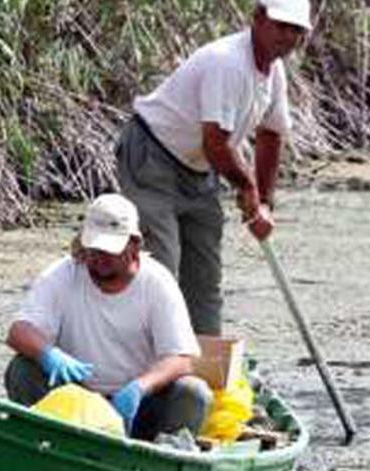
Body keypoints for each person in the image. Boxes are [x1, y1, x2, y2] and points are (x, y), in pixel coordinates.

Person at [116, 0, 311, 336]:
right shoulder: (228, 62)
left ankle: (207, 362)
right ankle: (149, 362)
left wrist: (263, 202)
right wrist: (247, 188)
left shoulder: (274, 72)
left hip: (199, 169)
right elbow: (216, 142)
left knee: (205, 275)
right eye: (280, 25)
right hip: (152, 156)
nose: (286, 36)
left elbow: (271, 134)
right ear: (258, 19)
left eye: (295, 30)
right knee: (160, 265)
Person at [4, 193, 213, 440]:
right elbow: (18, 331)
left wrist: (139, 387)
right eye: (94, 249)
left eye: (110, 250)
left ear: (134, 245)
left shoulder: (157, 283)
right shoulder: (63, 274)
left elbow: (181, 359)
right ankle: (50, 442)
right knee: (22, 369)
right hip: (75, 403)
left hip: (139, 407)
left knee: (193, 393)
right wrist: (50, 355)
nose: (100, 258)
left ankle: (159, 455)